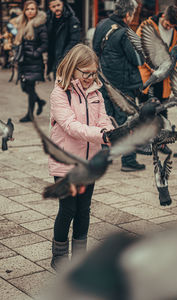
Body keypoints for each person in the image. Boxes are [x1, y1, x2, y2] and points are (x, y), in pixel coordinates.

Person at [48, 43, 113, 270]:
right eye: (86, 73)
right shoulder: (60, 93)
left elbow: (102, 119)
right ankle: (58, 256)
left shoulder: (96, 92)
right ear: (73, 69)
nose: (90, 78)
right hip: (66, 164)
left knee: (84, 210)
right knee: (68, 209)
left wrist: (109, 130)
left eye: (93, 73)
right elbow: (71, 126)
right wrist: (101, 136)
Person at [93, 0, 146, 172]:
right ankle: (128, 160)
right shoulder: (125, 33)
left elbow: (94, 49)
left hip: (104, 81)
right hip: (123, 85)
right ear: (128, 14)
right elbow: (139, 59)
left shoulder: (101, 25)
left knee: (106, 119)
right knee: (127, 123)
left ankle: (103, 156)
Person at [136, 5, 177, 154]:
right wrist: (150, 66)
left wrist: (170, 65)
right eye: (168, 23)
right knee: (145, 111)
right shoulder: (147, 25)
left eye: (172, 26)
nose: (169, 27)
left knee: (163, 112)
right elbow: (138, 48)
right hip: (147, 74)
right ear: (163, 15)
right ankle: (144, 143)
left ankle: (162, 143)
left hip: (164, 79)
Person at [14, 0, 48, 122]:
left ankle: (30, 115)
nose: (30, 11)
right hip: (23, 61)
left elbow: (45, 44)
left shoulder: (40, 25)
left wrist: (35, 53)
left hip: (34, 61)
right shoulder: (22, 23)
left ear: (36, 10)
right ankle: (40, 101)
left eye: (32, 9)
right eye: (28, 9)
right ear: (24, 11)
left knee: (30, 87)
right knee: (24, 87)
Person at [47, 0, 81, 79]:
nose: (56, 8)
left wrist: (64, 56)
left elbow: (75, 40)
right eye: (53, 7)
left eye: (58, 5)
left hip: (66, 59)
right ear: (50, 8)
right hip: (55, 59)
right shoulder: (49, 20)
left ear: (63, 5)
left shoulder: (72, 20)